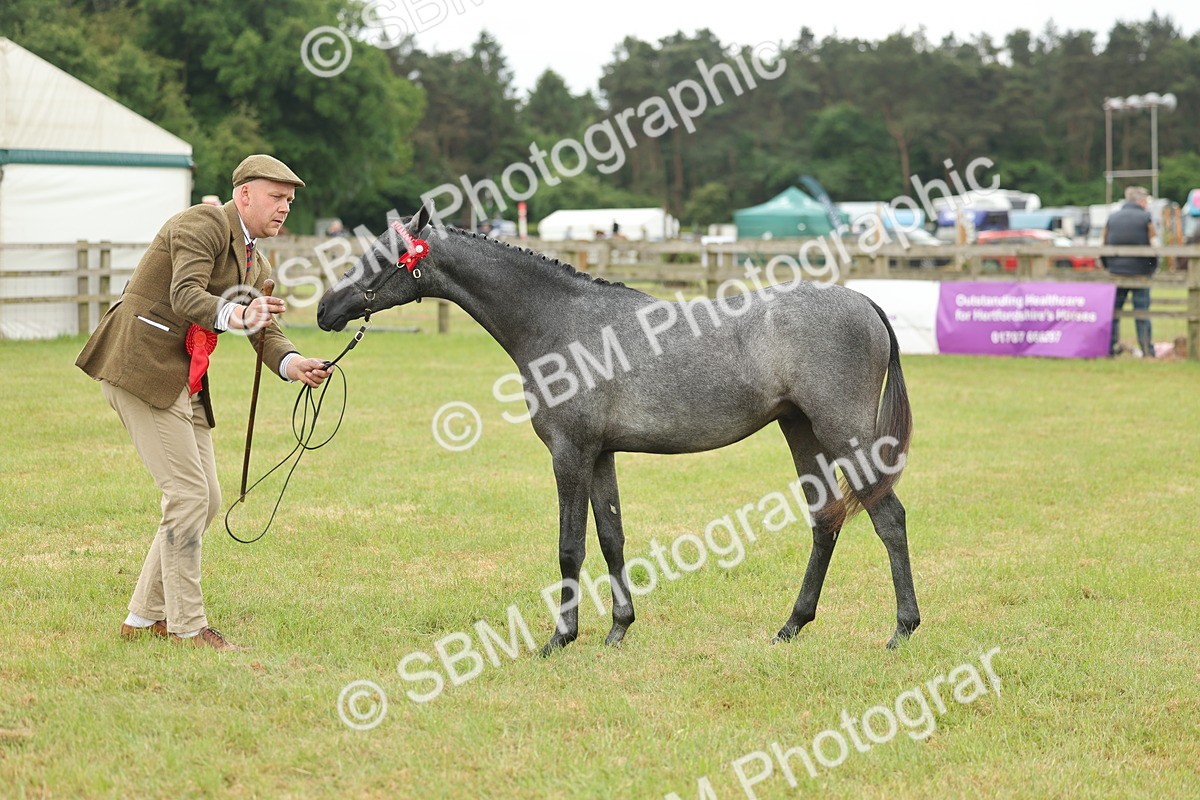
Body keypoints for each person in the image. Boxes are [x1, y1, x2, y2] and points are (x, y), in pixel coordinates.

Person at [76, 154, 331, 651]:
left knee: (204, 499)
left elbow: (265, 327)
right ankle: (187, 626)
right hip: (141, 365)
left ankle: (143, 617)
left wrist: (292, 362)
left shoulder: (257, 260)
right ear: (244, 195)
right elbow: (186, 293)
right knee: (189, 497)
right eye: (277, 198)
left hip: (181, 377)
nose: (285, 208)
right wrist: (239, 312)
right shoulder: (203, 223)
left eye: (290, 201)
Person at [1102, 185, 1158, 357]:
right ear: (1141, 201)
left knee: (1113, 313)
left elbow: (1103, 245)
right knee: (1142, 312)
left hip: (1116, 272)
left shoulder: (1112, 218)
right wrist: (1152, 267)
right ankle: (1147, 350)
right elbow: (1154, 245)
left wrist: (1108, 266)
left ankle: (1110, 349)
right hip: (1140, 273)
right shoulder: (1146, 218)